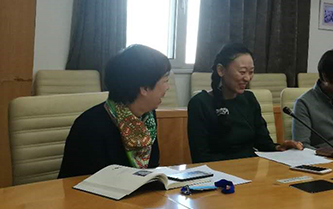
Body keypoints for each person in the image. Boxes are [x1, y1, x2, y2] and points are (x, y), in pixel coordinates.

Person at [58, 44, 170, 178]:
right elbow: (77, 181)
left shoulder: (147, 118)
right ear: (144, 88)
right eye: (165, 81)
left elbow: (151, 169)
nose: (167, 87)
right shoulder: (90, 125)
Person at [187, 42, 302, 163]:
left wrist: (279, 148)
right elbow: (200, 157)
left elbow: (263, 143)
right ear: (221, 70)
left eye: (251, 72)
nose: (247, 78)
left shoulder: (249, 99)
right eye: (242, 72)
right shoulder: (200, 103)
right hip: (219, 171)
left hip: (250, 169)